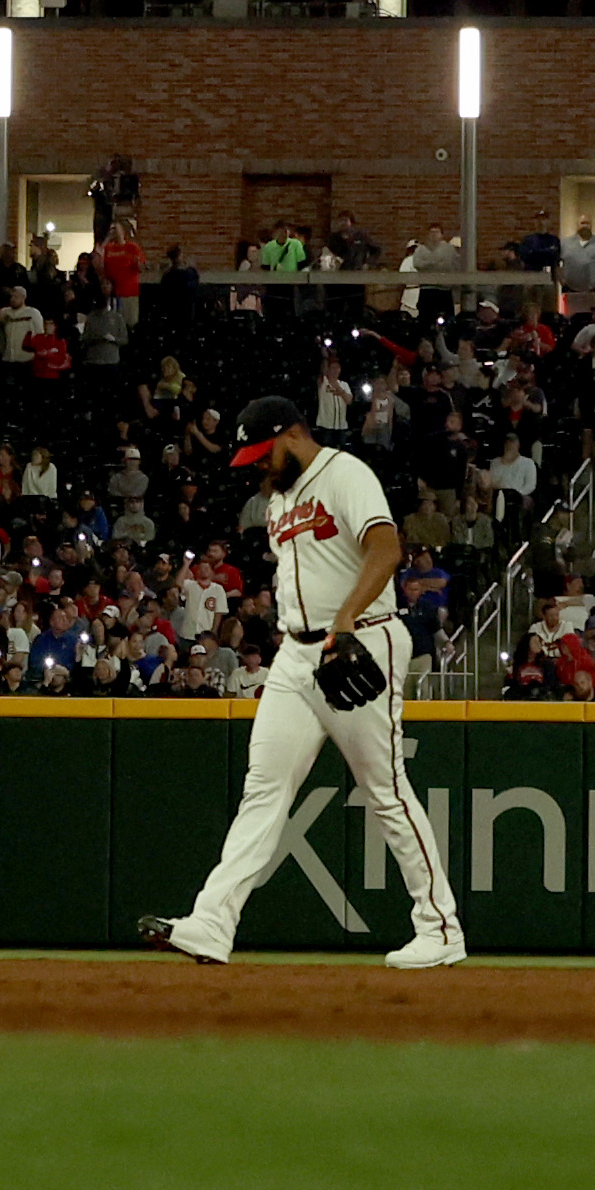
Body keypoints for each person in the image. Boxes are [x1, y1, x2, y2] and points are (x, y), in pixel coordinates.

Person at [139, 391, 466, 971]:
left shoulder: (346, 473)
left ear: (293, 434)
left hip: (361, 637)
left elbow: (386, 549)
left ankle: (440, 927)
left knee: (386, 790)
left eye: (266, 453)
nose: (260, 466)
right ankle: (212, 923)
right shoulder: (277, 503)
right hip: (297, 653)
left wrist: (343, 620)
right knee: (263, 789)